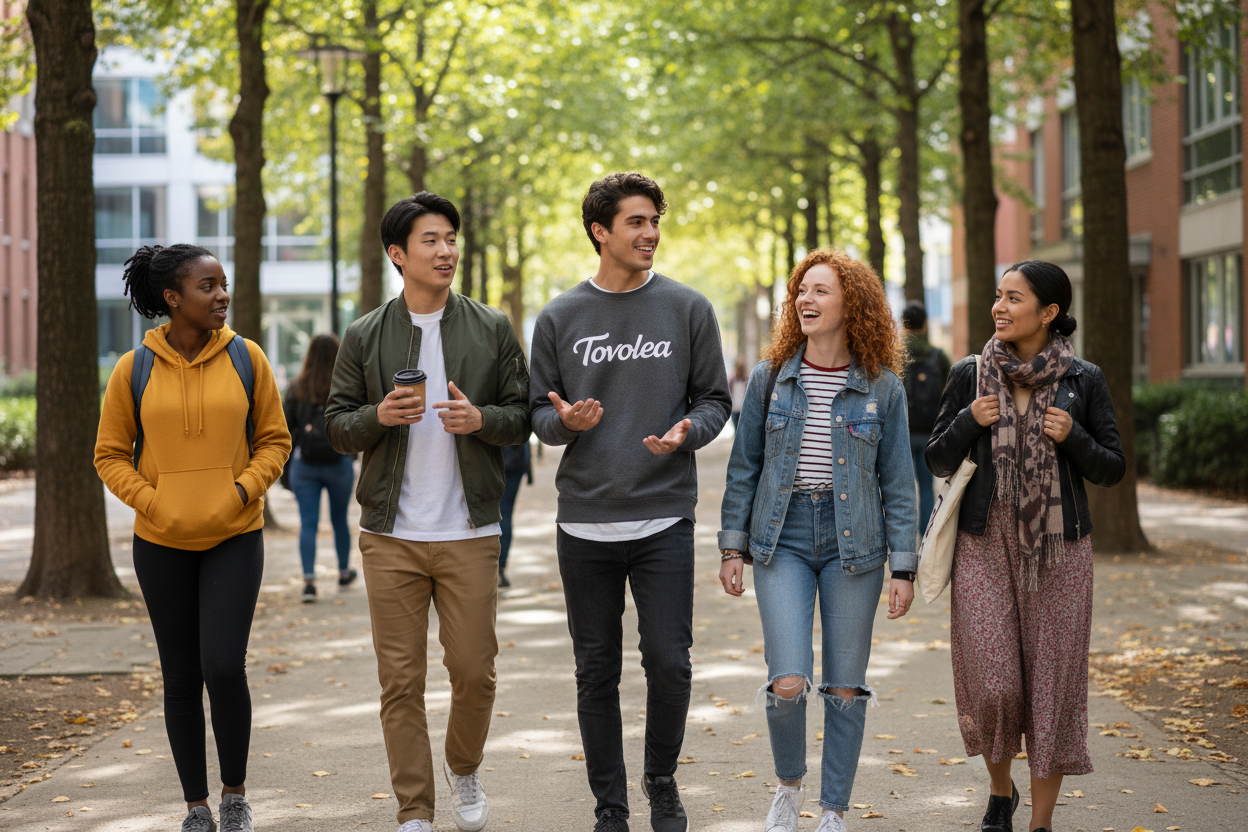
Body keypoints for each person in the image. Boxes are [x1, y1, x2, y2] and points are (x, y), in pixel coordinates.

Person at [529, 171, 731, 832]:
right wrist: (568, 427)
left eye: (654, 221)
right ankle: (610, 808)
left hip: (663, 514)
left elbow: (716, 400)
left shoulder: (688, 308)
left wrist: (688, 432)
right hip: (585, 520)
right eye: (636, 222)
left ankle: (661, 779)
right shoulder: (559, 316)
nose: (650, 234)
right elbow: (540, 412)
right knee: (597, 672)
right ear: (600, 231)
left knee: (669, 662)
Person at [324, 192, 530, 832]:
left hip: (470, 530)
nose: (446, 251)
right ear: (398, 254)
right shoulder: (364, 334)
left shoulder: (491, 328)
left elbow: (523, 417)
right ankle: (415, 810)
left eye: (450, 239)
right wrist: (377, 417)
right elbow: (335, 426)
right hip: (391, 536)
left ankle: (462, 766)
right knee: (400, 682)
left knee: (474, 671)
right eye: (430, 241)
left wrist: (483, 419)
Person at [718, 249, 918, 832]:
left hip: (855, 544)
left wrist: (903, 568)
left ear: (850, 303)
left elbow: (899, 484)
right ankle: (788, 788)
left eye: (820, 291)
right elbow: (743, 468)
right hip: (782, 538)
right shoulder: (770, 379)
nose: (805, 299)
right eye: (800, 291)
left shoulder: (883, 388)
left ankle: (833, 809)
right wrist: (733, 547)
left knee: (845, 686)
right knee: (787, 678)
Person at [95, 244, 291, 832]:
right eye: (208, 287)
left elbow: (275, 441)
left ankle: (234, 795)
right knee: (180, 675)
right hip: (160, 543)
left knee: (224, 666)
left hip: (234, 534)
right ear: (172, 298)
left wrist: (240, 492)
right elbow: (109, 455)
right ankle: (196, 808)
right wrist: (154, 501)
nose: (222, 295)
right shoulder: (134, 369)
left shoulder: (247, 359)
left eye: (224, 284)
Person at [925, 260, 1124, 832]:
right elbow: (937, 458)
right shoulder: (970, 374)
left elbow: (1112, 468)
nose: (1000, 307)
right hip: (984, 542)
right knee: (994, 684)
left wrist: (1075, 436)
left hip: (1059, 550)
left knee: (1051, 686)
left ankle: (1039, 823)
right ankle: (998, 790)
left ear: (1049, 312)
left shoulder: (1083, 379)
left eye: (1015, 298)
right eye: (997, 296)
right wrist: (968, 420)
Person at [284, 333, 358, 602]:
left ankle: (309, 582)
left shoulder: (296, 387)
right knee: (340, 520)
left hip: (305, 465)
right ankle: (343, 571)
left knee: (308, 523)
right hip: (339, 461)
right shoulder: (345, 385)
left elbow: (285, 426)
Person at [900, 300, 950, 529]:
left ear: (903, 324)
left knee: (902, 490)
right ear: (925, 324)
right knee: (928, 486)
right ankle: (926, 538)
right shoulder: (938, 357)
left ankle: (904, 542)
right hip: (930, 430)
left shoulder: (896, 356)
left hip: (901, 432)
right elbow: (950, 394)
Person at [497, 440, 531, 588]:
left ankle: (497, 567)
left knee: (502, 512)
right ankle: (500, 568)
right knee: (505, 512)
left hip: (501, 458)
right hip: (516, 457)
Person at [729, 360, 749, 432]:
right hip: (734, 407)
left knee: (741, 429)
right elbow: (729, 392)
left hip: (743, 408)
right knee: (736, 428)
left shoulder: (746, 380)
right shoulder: (732, 381)